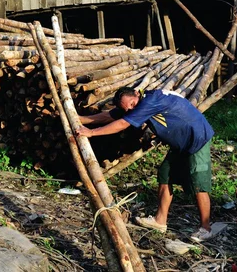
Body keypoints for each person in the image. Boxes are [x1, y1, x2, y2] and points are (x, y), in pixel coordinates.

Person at [77, 87, 215, 242]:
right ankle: (160, 221)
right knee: (165, 174)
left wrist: (91, 133)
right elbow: (109, 116)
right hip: (180, 143)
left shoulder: (150, 101)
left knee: (198, 183)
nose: (130, 109)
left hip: (197, 138)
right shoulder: (138, 102)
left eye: (131, 104)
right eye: (126, 108)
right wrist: (80, 119)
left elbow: (122, 123)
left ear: (137, 94)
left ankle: (206, 228)